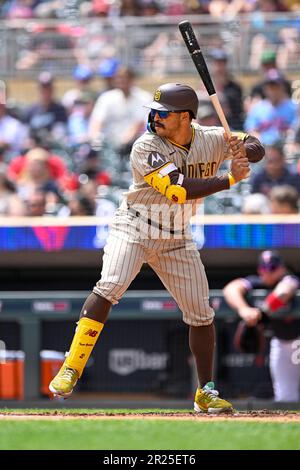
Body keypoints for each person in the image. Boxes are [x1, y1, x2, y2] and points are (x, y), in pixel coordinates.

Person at [49, 83, 264, 413]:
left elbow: (257, 146)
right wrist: (230, 179)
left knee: (201, 313)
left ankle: (205, 391)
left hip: (177, 235)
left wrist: (243, 148)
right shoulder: (145, 145)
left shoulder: (210, 137)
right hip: (135, 225)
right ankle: (71, 367)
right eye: (153, 110)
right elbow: (177, 190)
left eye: (163, 113)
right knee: (110, 285)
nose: (154, 116)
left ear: (184, 117)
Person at [223, 250, 300, 402]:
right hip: (281, 342)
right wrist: (243, 309)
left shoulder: (289, 279)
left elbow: (284, 292)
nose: (268, 272)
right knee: (285, 397)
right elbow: (230, 289)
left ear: (282, 268)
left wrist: (261, 314)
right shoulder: (257, 283)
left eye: (273, 268)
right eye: (264, 268)